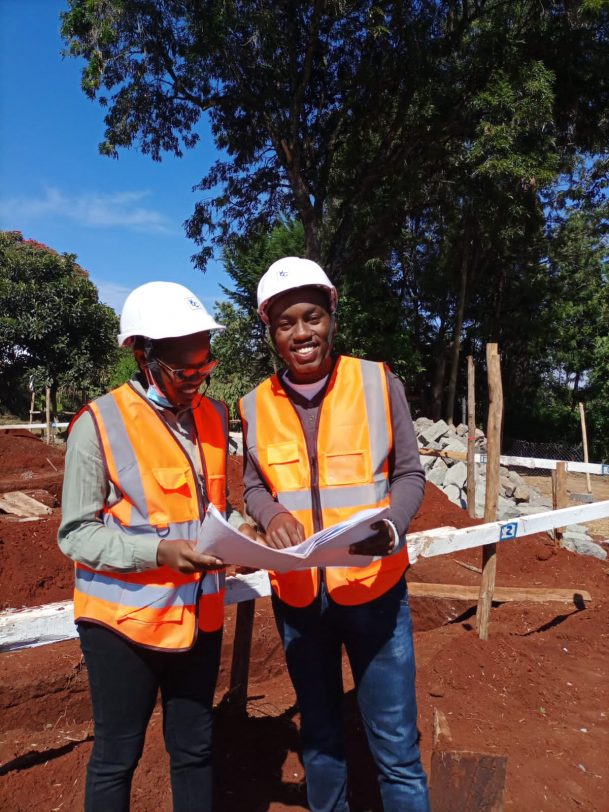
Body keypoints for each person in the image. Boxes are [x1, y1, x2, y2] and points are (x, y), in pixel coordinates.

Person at [239, 257, 430, 812]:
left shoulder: (377, 382)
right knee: (320, 742)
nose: (301, 333)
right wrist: (271, 515)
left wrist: (393, 523)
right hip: (299, 601)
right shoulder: (254, 405)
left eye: (312, 317)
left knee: (396, 748)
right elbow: (252, 485)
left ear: (332, 317)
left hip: (374, 591)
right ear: (271, 331)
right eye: (285, 323)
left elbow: (409, 474)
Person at [58, 281, 257, 812]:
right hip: (124, 626)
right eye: (183, 371)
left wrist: (245, 532)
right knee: (117, 756)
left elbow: (214, 504)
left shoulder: (213, 417)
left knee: (194, 749)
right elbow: (75, 533)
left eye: (205, 366)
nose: (197, 380)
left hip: (200, 616)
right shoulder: (98, 424)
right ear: (143, 356)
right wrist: (158, 554)